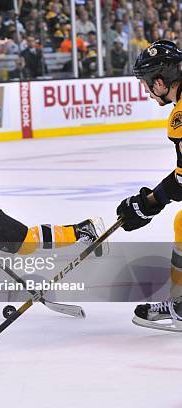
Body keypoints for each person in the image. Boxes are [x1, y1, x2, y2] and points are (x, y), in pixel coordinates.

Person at [123, 40, 182, 331]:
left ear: (160, 82)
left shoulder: (179, 117)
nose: (147, 91)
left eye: (148, 83)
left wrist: (151, 202)